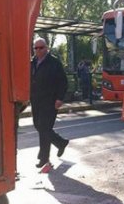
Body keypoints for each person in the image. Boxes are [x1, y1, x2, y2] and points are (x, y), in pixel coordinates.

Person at [30, 37, 69, 169]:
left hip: (50, 101)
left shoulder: (54, 63)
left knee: (44, 128)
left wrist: (60, 98)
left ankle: (43, 158)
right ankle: (60, 142)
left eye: (41, 47)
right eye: (36, 48)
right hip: (36, 100)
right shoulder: (32, 62)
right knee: (38, 126)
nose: (38, 50)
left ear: (46, 48)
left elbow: (63, 82)